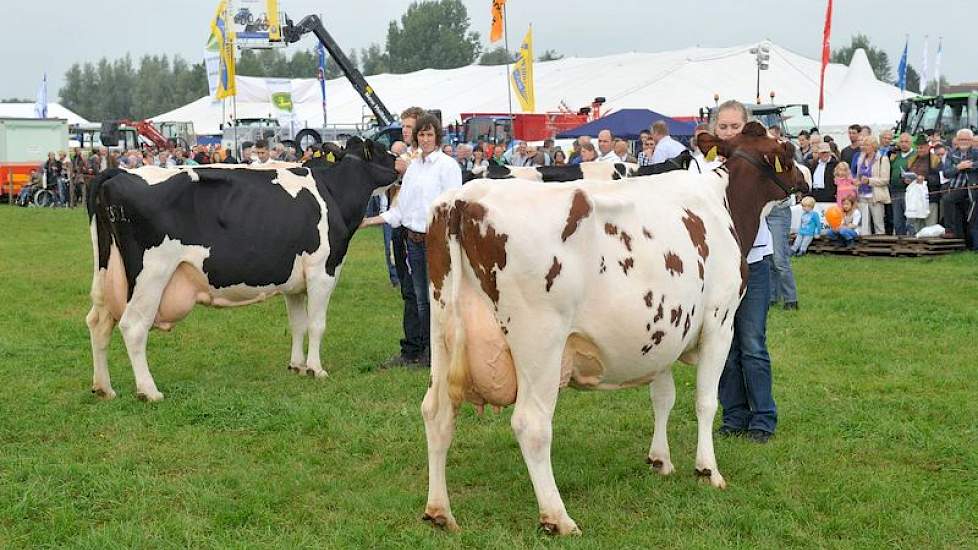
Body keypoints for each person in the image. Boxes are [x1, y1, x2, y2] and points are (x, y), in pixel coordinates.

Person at [361, 113, 462, 367]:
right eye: (421, 134)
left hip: (437, 242)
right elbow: (401, 210)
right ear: (416, 138)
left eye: (430, 134)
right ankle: (428, 352)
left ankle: (441, 353)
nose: (425, 139)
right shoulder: (414, 168)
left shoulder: (448, 167)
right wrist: (368, 221)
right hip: (413, 242)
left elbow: (453, 207)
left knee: (439, 298)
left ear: (437, 137)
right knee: (420, 299)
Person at [713, 100, 777, 443]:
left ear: (746, 127)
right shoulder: (703, 163)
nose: (728, 132)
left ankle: (763, 417)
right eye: (722, 127)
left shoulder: (762, 160)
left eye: (735, 126)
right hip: (718, 266)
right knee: (724, 344)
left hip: (753, 260)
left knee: (752, 342)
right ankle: (733, 415)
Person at [941, 128, 978, 247]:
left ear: (972, 140)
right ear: (957, 140)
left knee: (971, 219)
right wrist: (958, 167)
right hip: (955, 187)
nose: (963, 141)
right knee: (951, 204)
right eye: (961, 139)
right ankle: (953, 234)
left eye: (966, 139)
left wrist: (970, 165)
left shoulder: (976, 153)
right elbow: (946, 172)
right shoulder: (951, 154)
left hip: (972, 189)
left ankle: (970, 244)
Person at [854, 136, 889, 235]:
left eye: (867, 145)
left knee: (878, 224)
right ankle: (866, 247)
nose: (864, 147)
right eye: (864, 145)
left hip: (875, 196)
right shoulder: (860, 159)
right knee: (864, 225)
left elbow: (885, 180)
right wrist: (857, 182)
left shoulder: (882, 159)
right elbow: (858, 176)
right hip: (862, 196)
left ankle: (880, 246)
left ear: (874, 146)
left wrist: (869, 181)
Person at [888, 132, 915, 236]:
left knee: (910, 220)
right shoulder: (895, 156)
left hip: (909, 191)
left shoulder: (915, 155)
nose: (904, 144)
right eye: (902, 142)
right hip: (895, 191)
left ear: (911, 142)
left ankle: (912, 242)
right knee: (897, 221)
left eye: (906, 142)